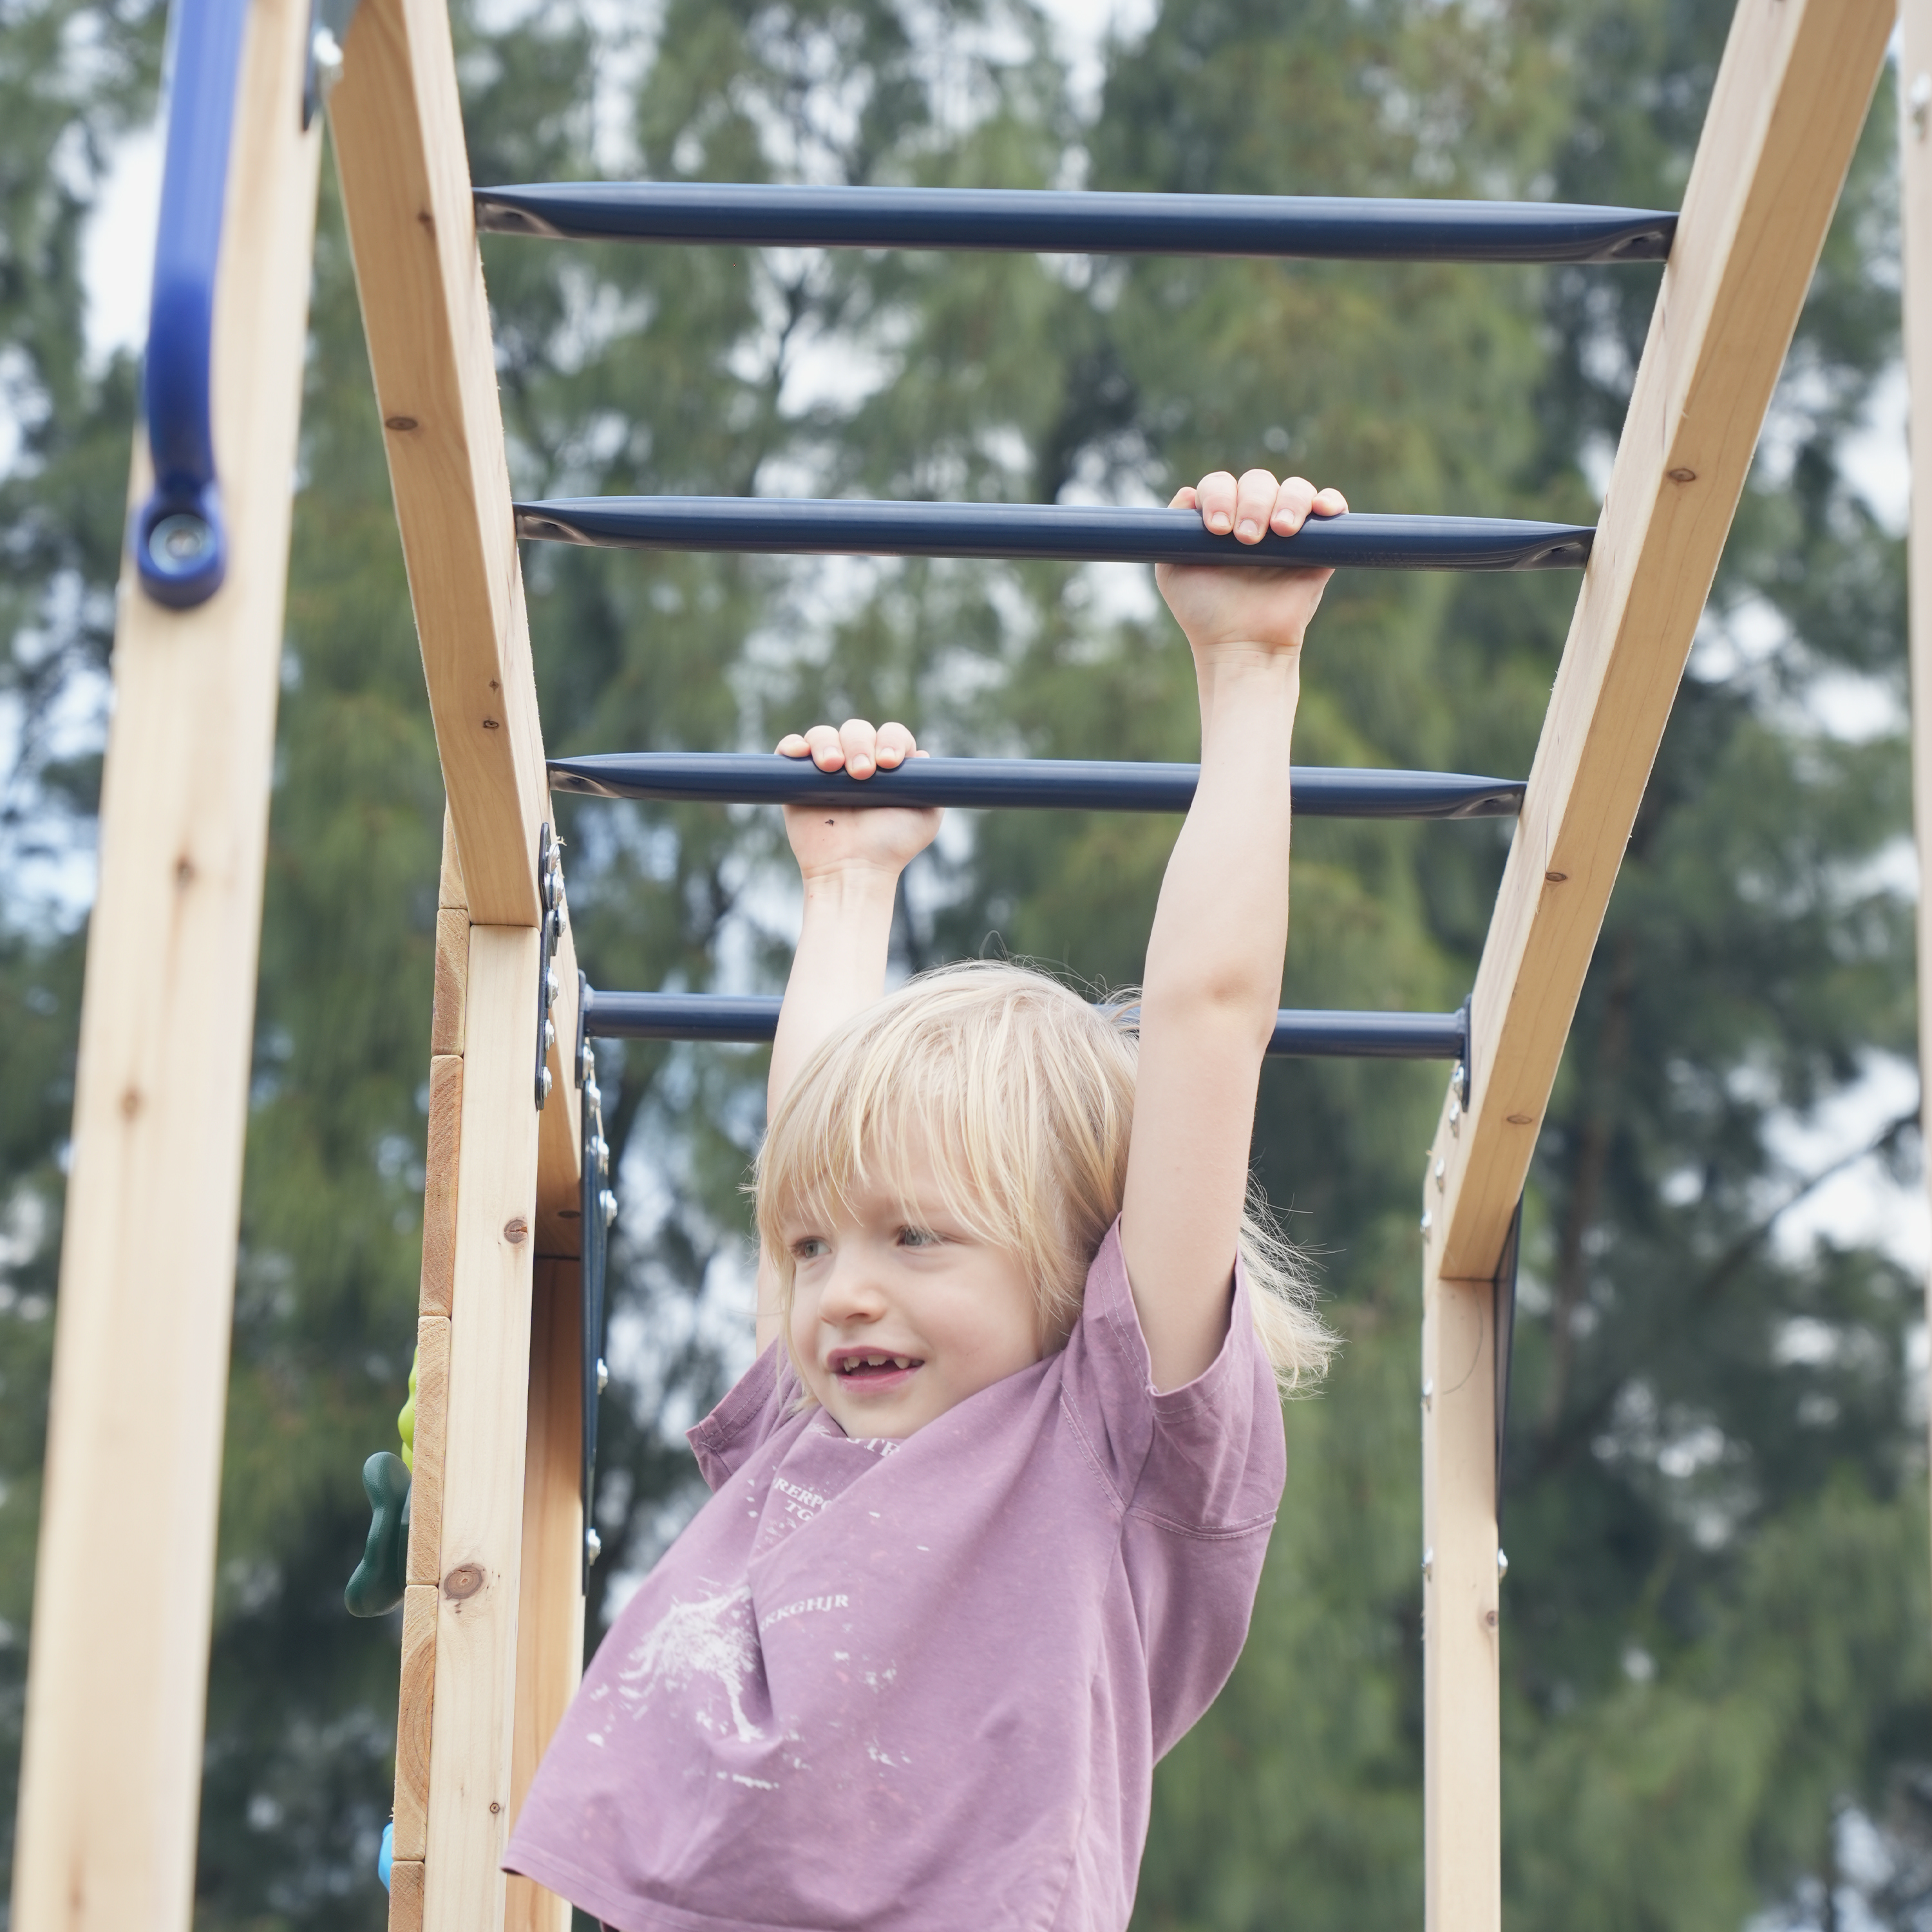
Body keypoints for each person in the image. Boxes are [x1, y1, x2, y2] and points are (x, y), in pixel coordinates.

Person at [506, 467, 1349, 1932]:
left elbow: (1212, 1017)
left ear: (1080, 1261)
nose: (842, 1292)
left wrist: (1249, 665)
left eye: (919, 1240)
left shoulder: (1105, 1429)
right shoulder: (813, 1427)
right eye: (820, 1252)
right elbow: (813, 1158)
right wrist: (847, 891)